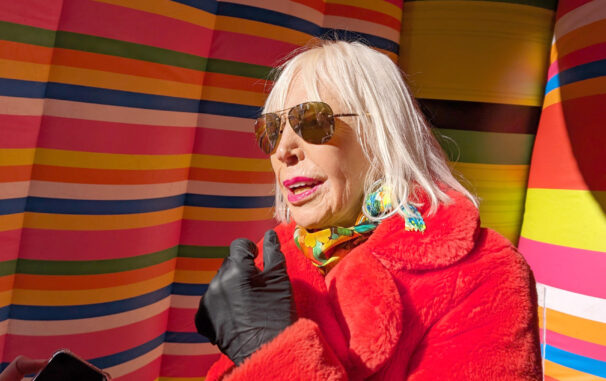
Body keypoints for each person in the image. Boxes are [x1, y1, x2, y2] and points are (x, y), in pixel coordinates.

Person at [194, 39, 543, 380]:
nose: (284, 149)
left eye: (313, 122)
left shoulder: (484, 272)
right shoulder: (271, 265)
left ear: (381, 134)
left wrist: (269, 351)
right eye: (270, 130)